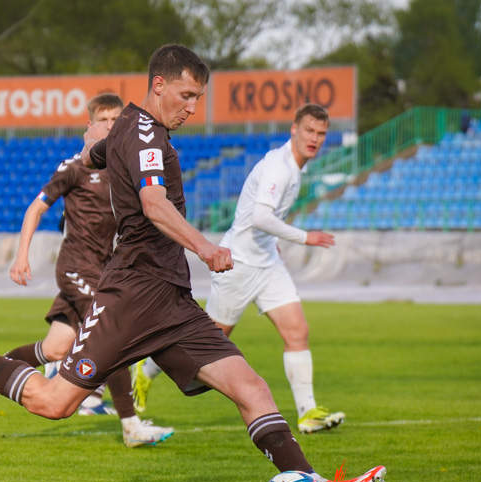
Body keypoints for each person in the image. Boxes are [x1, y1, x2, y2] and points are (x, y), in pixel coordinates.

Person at [0, 44, 384, 482]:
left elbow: (99, 154)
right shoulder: (146, 133)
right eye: (186, 95)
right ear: (159, 84)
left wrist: (99, 153)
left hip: (171, 299)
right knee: (53, 402)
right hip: (132, 293)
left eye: (199, 99)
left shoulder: (130, 125)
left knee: (250, 387)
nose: (192, 107)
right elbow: (153, 203)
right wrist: (205, 247)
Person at [0, 93, 174, 447]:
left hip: (103, 271)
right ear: (88, 127)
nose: (109, 126)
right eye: (103, 120)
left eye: (116, 120)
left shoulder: (121, 167)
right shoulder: (73, 167)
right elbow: (35, 209)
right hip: (76, 268)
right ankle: (130, 425)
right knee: (112, 333)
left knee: (57, 348)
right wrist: (21, 256)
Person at [132, 104, 345, 435]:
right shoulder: (280, 167)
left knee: (297, 331)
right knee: (207, 342)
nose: (314, 139)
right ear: (294, 129)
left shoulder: (294, 166)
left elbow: (262, 220)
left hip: (267, 263)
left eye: (321, 133)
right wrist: (305, 237)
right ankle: (146, 370)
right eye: (309, 131)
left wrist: (271, 242)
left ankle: (307, 413)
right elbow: (261, 216)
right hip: (239, 263)